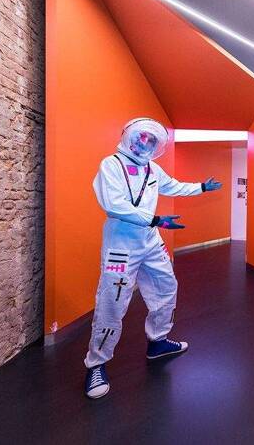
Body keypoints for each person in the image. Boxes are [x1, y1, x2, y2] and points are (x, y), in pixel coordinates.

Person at [84, 117, 221, 399]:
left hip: (150, 241)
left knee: (166, 288)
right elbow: (114, 205)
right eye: (141, 137)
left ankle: (158, 341)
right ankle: (96, 364)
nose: (145, 143)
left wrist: (201, 187)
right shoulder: (111, 165)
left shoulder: (152, 168)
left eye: (151, 140)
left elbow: (172, 186)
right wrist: (156, 219)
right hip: (121, 245)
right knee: (113, 301)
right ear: (129, 137)